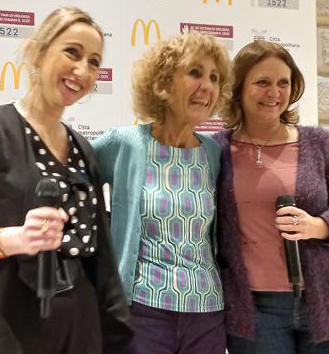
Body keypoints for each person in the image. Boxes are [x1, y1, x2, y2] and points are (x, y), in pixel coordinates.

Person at [0, 6, 132, 354]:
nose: (83, 70)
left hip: (79, 333)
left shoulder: (84, 149)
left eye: (94, 62)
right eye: (72, 52)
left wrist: (117, 337)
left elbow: (102, 263)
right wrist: (13, 239)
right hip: (2, 331)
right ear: (37, 53)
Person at [214, 41, 329, 353]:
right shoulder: (215, 149)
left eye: (283, 82)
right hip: (254, 312)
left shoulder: (318, 143)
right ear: (238, 88)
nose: (274, 92)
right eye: (262, 82)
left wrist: (319, 226)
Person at [92, 32, 231, 354]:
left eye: (214, 78)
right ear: (163, 83)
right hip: (142, 311)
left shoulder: (213, 152)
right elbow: (71, 172)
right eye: (195, 73)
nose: (207, 86)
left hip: (207, 312)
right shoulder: (125, 143)